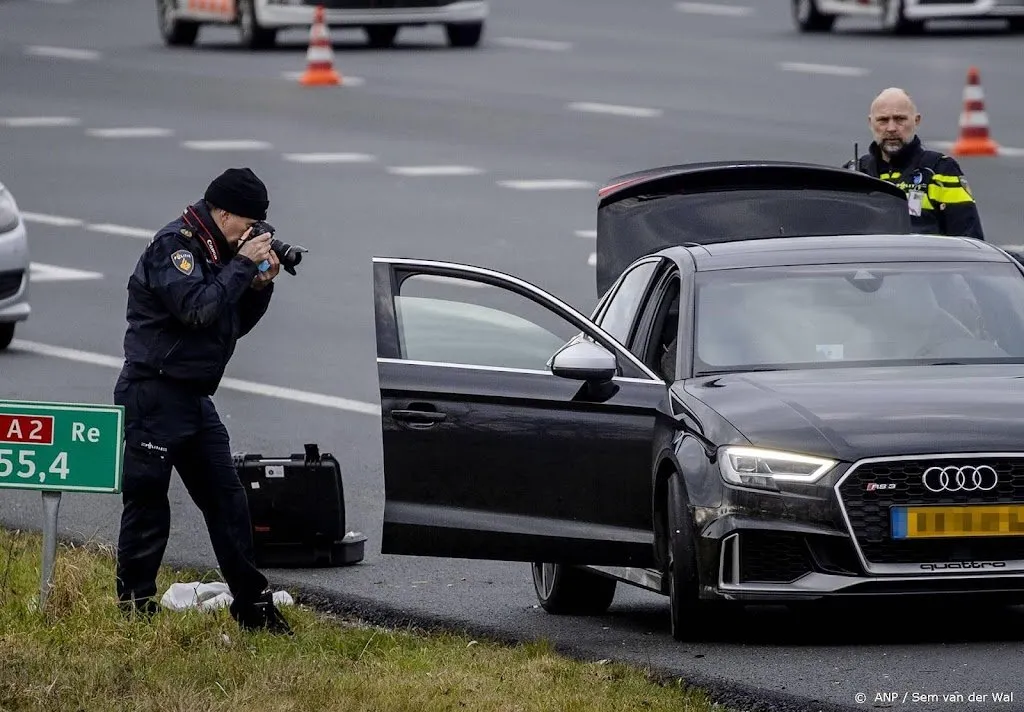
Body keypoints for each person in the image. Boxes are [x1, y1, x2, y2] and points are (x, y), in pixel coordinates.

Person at [113, 167, 291, 634]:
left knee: (228, 501)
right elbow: (196, 310)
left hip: (193, 399)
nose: (250, 235)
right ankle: (135, 608)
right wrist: (240, 267)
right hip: (153, 390)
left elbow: (228, 324)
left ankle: (252, 605)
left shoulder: (222, 251)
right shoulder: (176, 246)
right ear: (223, 211)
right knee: (148, 504)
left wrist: (258, 286)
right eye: (246, 225)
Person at [845, 87, 985, 241]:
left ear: (916, 121)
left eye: (900, 119)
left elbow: (970, 242)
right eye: (883, 120)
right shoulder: (853, 173)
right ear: (871, 123)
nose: (891, 128)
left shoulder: (941, 171)